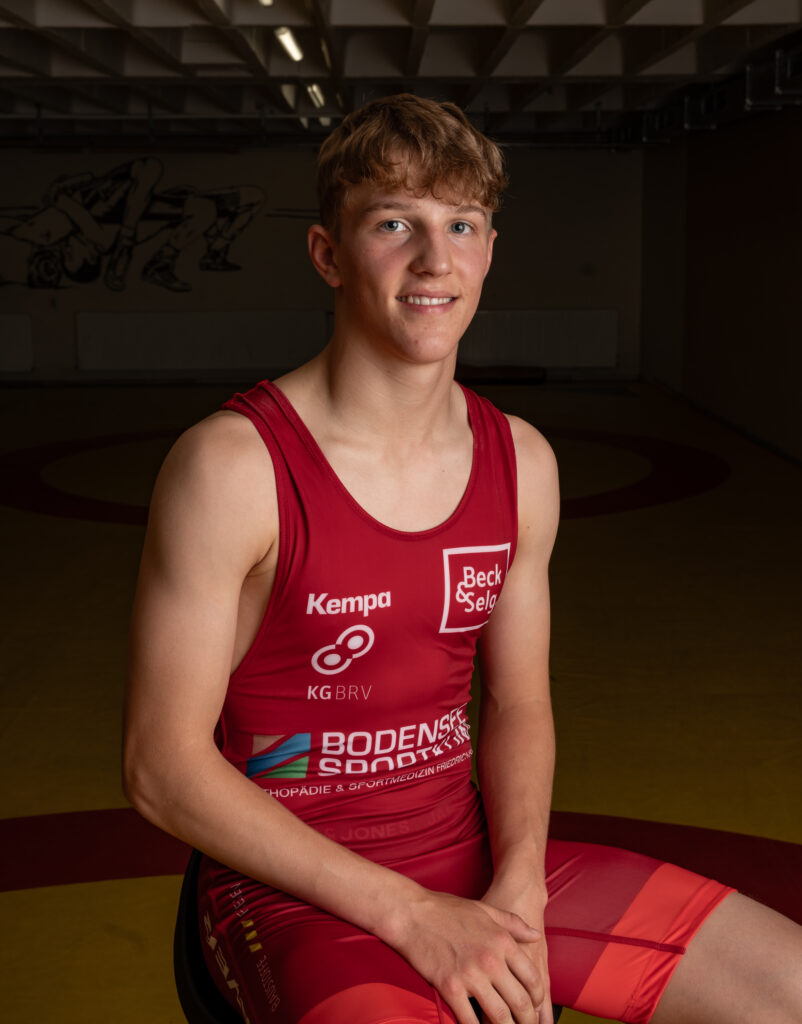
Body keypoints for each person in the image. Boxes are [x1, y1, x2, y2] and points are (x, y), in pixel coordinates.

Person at [123, 94, 802, 1024]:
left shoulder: (521, 461)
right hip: (290, 889)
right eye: (393, 223)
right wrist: (412, 915)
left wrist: (519, 883)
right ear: (327, 253)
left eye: (462, 225)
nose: (434, 260)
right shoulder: (233, 466)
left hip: (472, 861)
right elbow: (161, 766)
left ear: (488, 250)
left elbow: (519, 703)